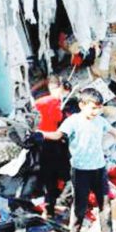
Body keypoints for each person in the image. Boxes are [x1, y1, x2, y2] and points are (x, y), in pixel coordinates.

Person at [38, 88, 116, 232]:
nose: (96, 111)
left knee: (105, 205)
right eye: (93, 108)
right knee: (80, 205)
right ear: (82, 105)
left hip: (99, 169)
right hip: (80, 170)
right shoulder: (73, 121)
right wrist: (40, 134)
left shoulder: (100, 121)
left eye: (99, 108)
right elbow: (57, 135)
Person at [33, 76, 71, 219]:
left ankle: (49, 209)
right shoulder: (55, 102)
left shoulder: (39, 102)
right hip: (52, 141)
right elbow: (56, 120)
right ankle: (59, 204)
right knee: (63, 175)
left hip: (39, 142)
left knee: (48, 176)